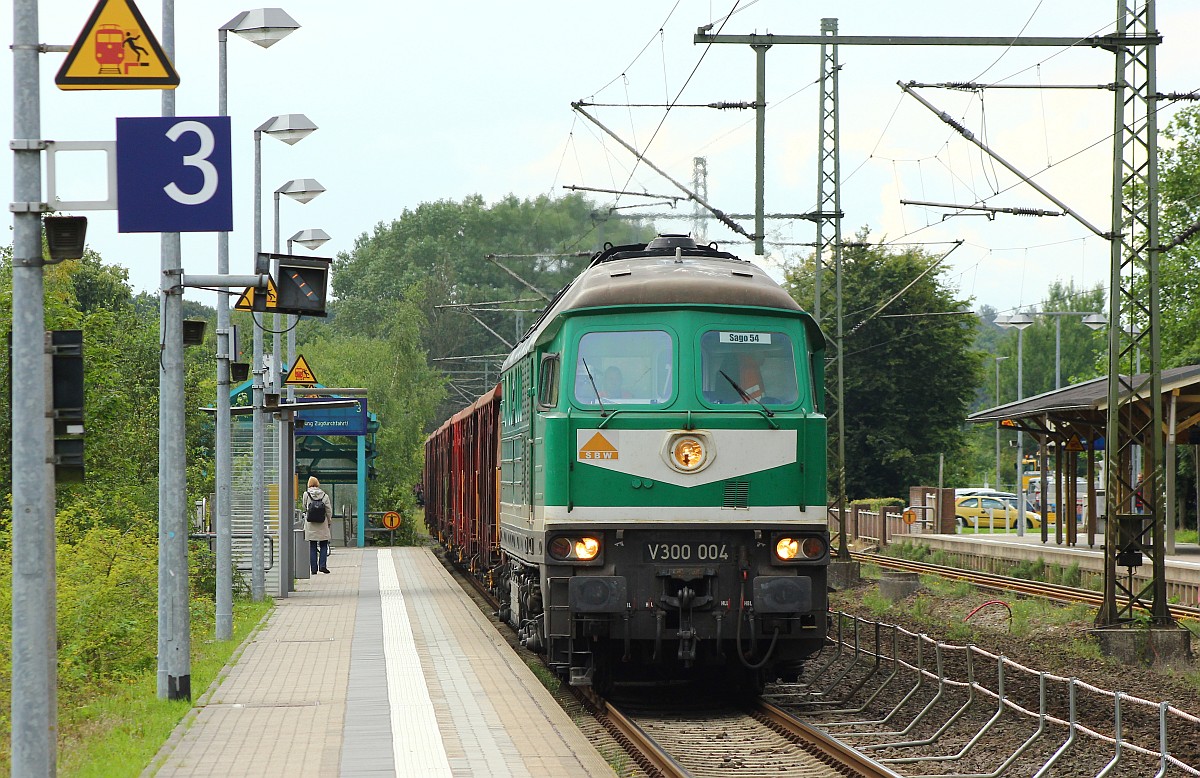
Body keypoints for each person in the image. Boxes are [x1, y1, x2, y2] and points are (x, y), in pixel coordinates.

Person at [303, 476, 332, 574]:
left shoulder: (306, 494)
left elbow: (304, 507)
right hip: (322, 523)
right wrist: (329, 521)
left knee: (312, 546)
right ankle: (322, 565)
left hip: (311, 523)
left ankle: (313, 569)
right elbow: (328, 510)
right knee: (324, 544)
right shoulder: (324, 496)